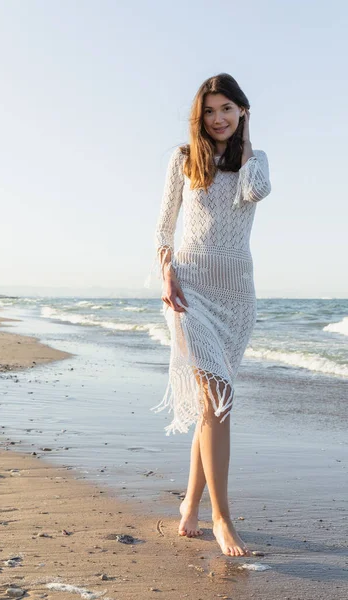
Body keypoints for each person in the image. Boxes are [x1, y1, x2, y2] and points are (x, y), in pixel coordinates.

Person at [149, 73, 271, 557]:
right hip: (190, 292)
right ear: (199, 117)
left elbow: (257, 192)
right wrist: (166, 277)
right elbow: (163, 227)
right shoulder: (183, 161)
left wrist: (245, 146)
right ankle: (222, 518)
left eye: (227, 109)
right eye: (209, 111)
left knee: (211, 406)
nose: (217, 118)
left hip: (237, 296)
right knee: (219, 400)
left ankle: (191, 505)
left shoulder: (254, 163)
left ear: (242, 111)